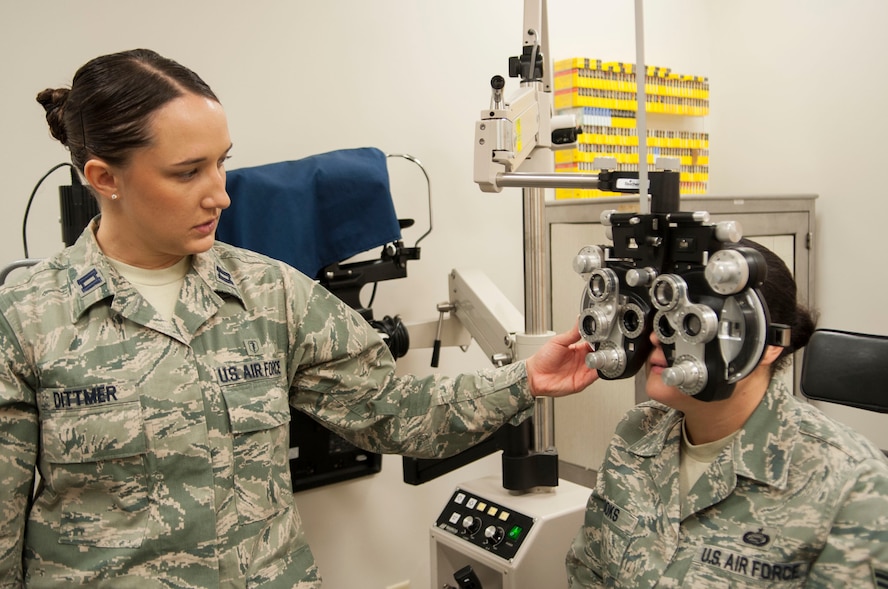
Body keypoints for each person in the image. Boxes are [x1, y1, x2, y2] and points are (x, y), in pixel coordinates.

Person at [0, 49, 598, 588]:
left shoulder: (269, 293)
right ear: (105, 179)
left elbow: (391, 411)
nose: (221, 194)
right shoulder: (25, 321)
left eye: (221, 163)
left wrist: (526, 380)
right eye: (188, 172)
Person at [565, 239, 888, 587]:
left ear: (767, 346)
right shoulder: (637, 431)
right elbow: (588, 570)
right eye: (659, 320)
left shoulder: (852, 484)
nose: (657, 340)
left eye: (690, 324)